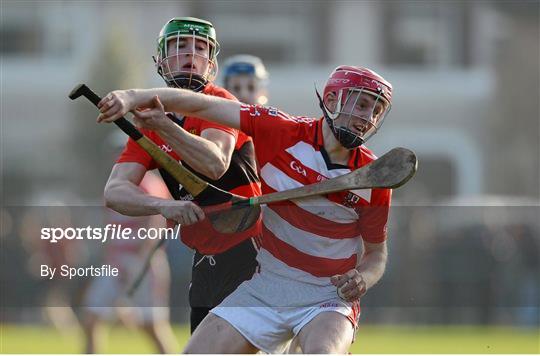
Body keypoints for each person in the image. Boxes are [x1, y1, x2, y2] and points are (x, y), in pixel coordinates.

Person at [97, 65, 394, 354]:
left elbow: (376, 255)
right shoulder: (284, 132)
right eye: (362, 105)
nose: (366, 118)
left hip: (329, 296)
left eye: (376, 111)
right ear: (331, 100)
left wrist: (363, 278)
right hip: (267, 285)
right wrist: (133, 96)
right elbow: (203, 105)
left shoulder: (375, 177)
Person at [101, 17, 262, 334]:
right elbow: (115, 191)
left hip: (253, 251)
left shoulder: (221, 104)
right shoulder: (149, 122)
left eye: (200, 47)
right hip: (205, 258)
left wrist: (165, 128)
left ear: (211, 62)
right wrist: (162, 206)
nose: (191, 53)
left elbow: (214, 163)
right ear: (161, 59)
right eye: (180, 45)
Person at [82, 171, 177, 354]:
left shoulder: (150, 185)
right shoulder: (113, 186)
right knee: (91, 317)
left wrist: (138, 263)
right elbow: (109, 228)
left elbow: (154, 227)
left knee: (152, 326)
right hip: (115, 263)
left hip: (144, 264)